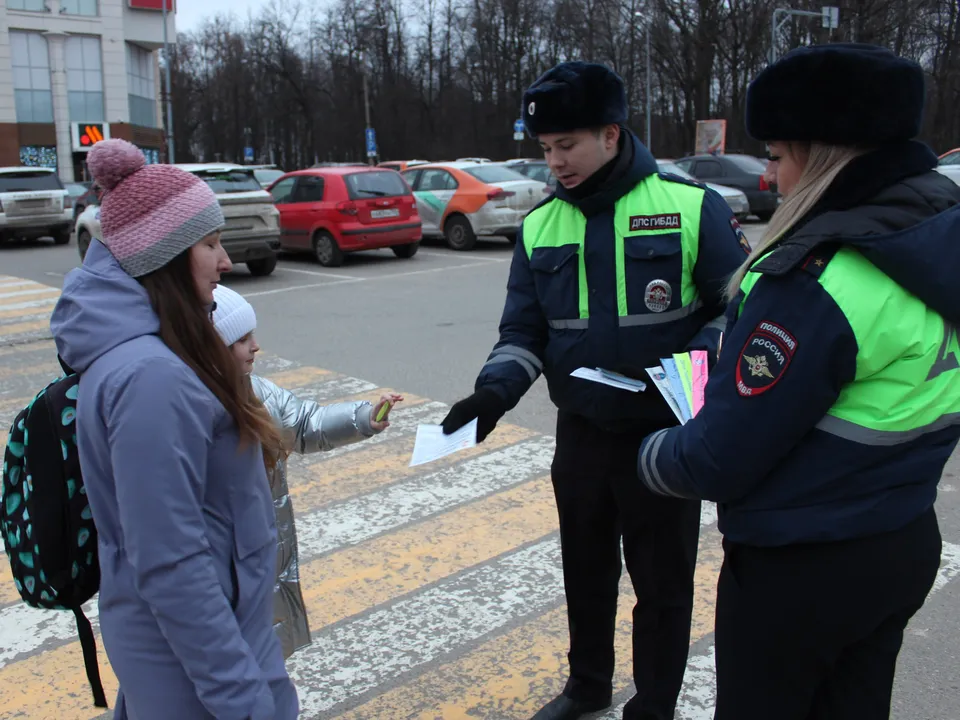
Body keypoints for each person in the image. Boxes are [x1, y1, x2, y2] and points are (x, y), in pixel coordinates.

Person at [636, 43, 958, 719]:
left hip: (802, 565)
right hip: (902, 536)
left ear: (823, 157)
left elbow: (720, 459)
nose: (772, 176)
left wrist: (652, 454)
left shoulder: (820, 279)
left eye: (778, 156)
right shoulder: (935, 245)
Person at [441, 61, 749, 720]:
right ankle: (587, 686)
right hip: (582, 435)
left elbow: (739, 309)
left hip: (663, 433)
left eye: (567, 145)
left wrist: (701, 354)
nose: (555, 162)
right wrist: (492, 395)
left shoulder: (692, 205)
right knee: (585, 571)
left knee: (662, 583)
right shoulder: (541, 226)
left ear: (612, 134)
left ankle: (656, 700)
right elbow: (523, 332)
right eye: (546, 149)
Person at [49, 139, 298, 720]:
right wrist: (241, 701)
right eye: (210, 244)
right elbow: (169, 562)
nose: (226, 261)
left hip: (201, 647)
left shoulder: (152, 357)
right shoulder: (151, 377)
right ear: (164, 256)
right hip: (203, 667)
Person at [210, 284, 402, 659]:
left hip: (264, 563)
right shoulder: (198, 410)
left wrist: (364, 417)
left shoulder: (258, 393)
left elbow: (304, 424)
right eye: (243, 339)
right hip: (227, 577)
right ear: (213, 348)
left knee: (264, 665)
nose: (256, 346)